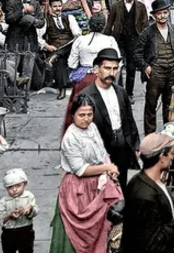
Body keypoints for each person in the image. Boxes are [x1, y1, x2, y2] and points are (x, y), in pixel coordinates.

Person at [50, 94, 123, 253]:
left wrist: (109, 168)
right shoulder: (70, 137)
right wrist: (106, 168)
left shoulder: (92, 128)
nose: (86, 119)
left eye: (89, 114)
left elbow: (102, 152)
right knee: (80, 236)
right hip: (78, 190)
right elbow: (80, 170)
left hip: (98, 183)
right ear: (73, 115)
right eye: (81, 115)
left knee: (110, 223)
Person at [120, 132, 174, 253]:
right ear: (161, 157)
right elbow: (153, 245)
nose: (172, 158)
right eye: (170, 154)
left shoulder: (148, 181)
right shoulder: (144, 196)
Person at [80, 48, 140, 181]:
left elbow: (129, 120)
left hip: (121, 147)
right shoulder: (86, 96)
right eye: (107, 68)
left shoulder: (121, 92)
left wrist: (135, 145)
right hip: (100, 150)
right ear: (96, 69)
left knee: (121, 184)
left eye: (115, 69)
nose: (111, 73)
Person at [134, 0, 174, 135]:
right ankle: (150, 136)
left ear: (169, 13)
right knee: (151, 105)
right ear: (154, 16)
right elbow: (137, 52)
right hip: (155, 72)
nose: (162, 16)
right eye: (159, 14)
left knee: (169, 104)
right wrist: (145, 67)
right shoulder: (148, 32)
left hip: (172, 71)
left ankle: (168, 133)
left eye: (165, 12)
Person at [63, 14, 118, 133]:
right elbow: (118, 62)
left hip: (84, 80)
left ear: (89, 25)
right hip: (104, 79)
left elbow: (71, 63)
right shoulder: (109, 40)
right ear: (103, 26)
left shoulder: (80, 40)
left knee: (80, 109)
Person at [105, 0, 148, 100]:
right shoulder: (116, 6)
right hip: (118, 40)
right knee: (116, 67)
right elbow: (109, 24)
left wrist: (145, 41)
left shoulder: (141, 7)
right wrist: (104, 40)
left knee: (131, 68)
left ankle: (129, 94)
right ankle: (117, 92)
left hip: (134, 40)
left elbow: (145, 26)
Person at [40, 0, 80, 100]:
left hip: (70, 48)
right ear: (49, 8)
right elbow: (38, 37)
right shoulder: (46, 21)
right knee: (60, 60)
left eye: (59, 6)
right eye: (55, 7)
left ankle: (55, 56)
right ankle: (62, 88)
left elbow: (77, 34)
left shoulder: (69, 18)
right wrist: (46, 46)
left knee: (69, 46)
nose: (57, 8)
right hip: (54, 48)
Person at [4, 0, 42, 91]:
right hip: (14, 40)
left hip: (30, 41)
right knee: (11, 68)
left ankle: (25, 96)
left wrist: (34, 21)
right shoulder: (11, 3)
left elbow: (42, 21)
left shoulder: (36, 4)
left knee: (28, 70)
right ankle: (10, 93)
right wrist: (23, 10)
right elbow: (9, 19)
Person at [0, 167, 37, 253]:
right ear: (6, 188)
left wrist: (30, 210)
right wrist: (9, 216)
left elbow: (36, 210)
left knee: (27, 250)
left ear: (24, 184)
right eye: (10, 187)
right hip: (9, 232)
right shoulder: (4, 201)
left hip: (26, 230)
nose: (14, 190)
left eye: (18, 186)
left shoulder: (29, 196)